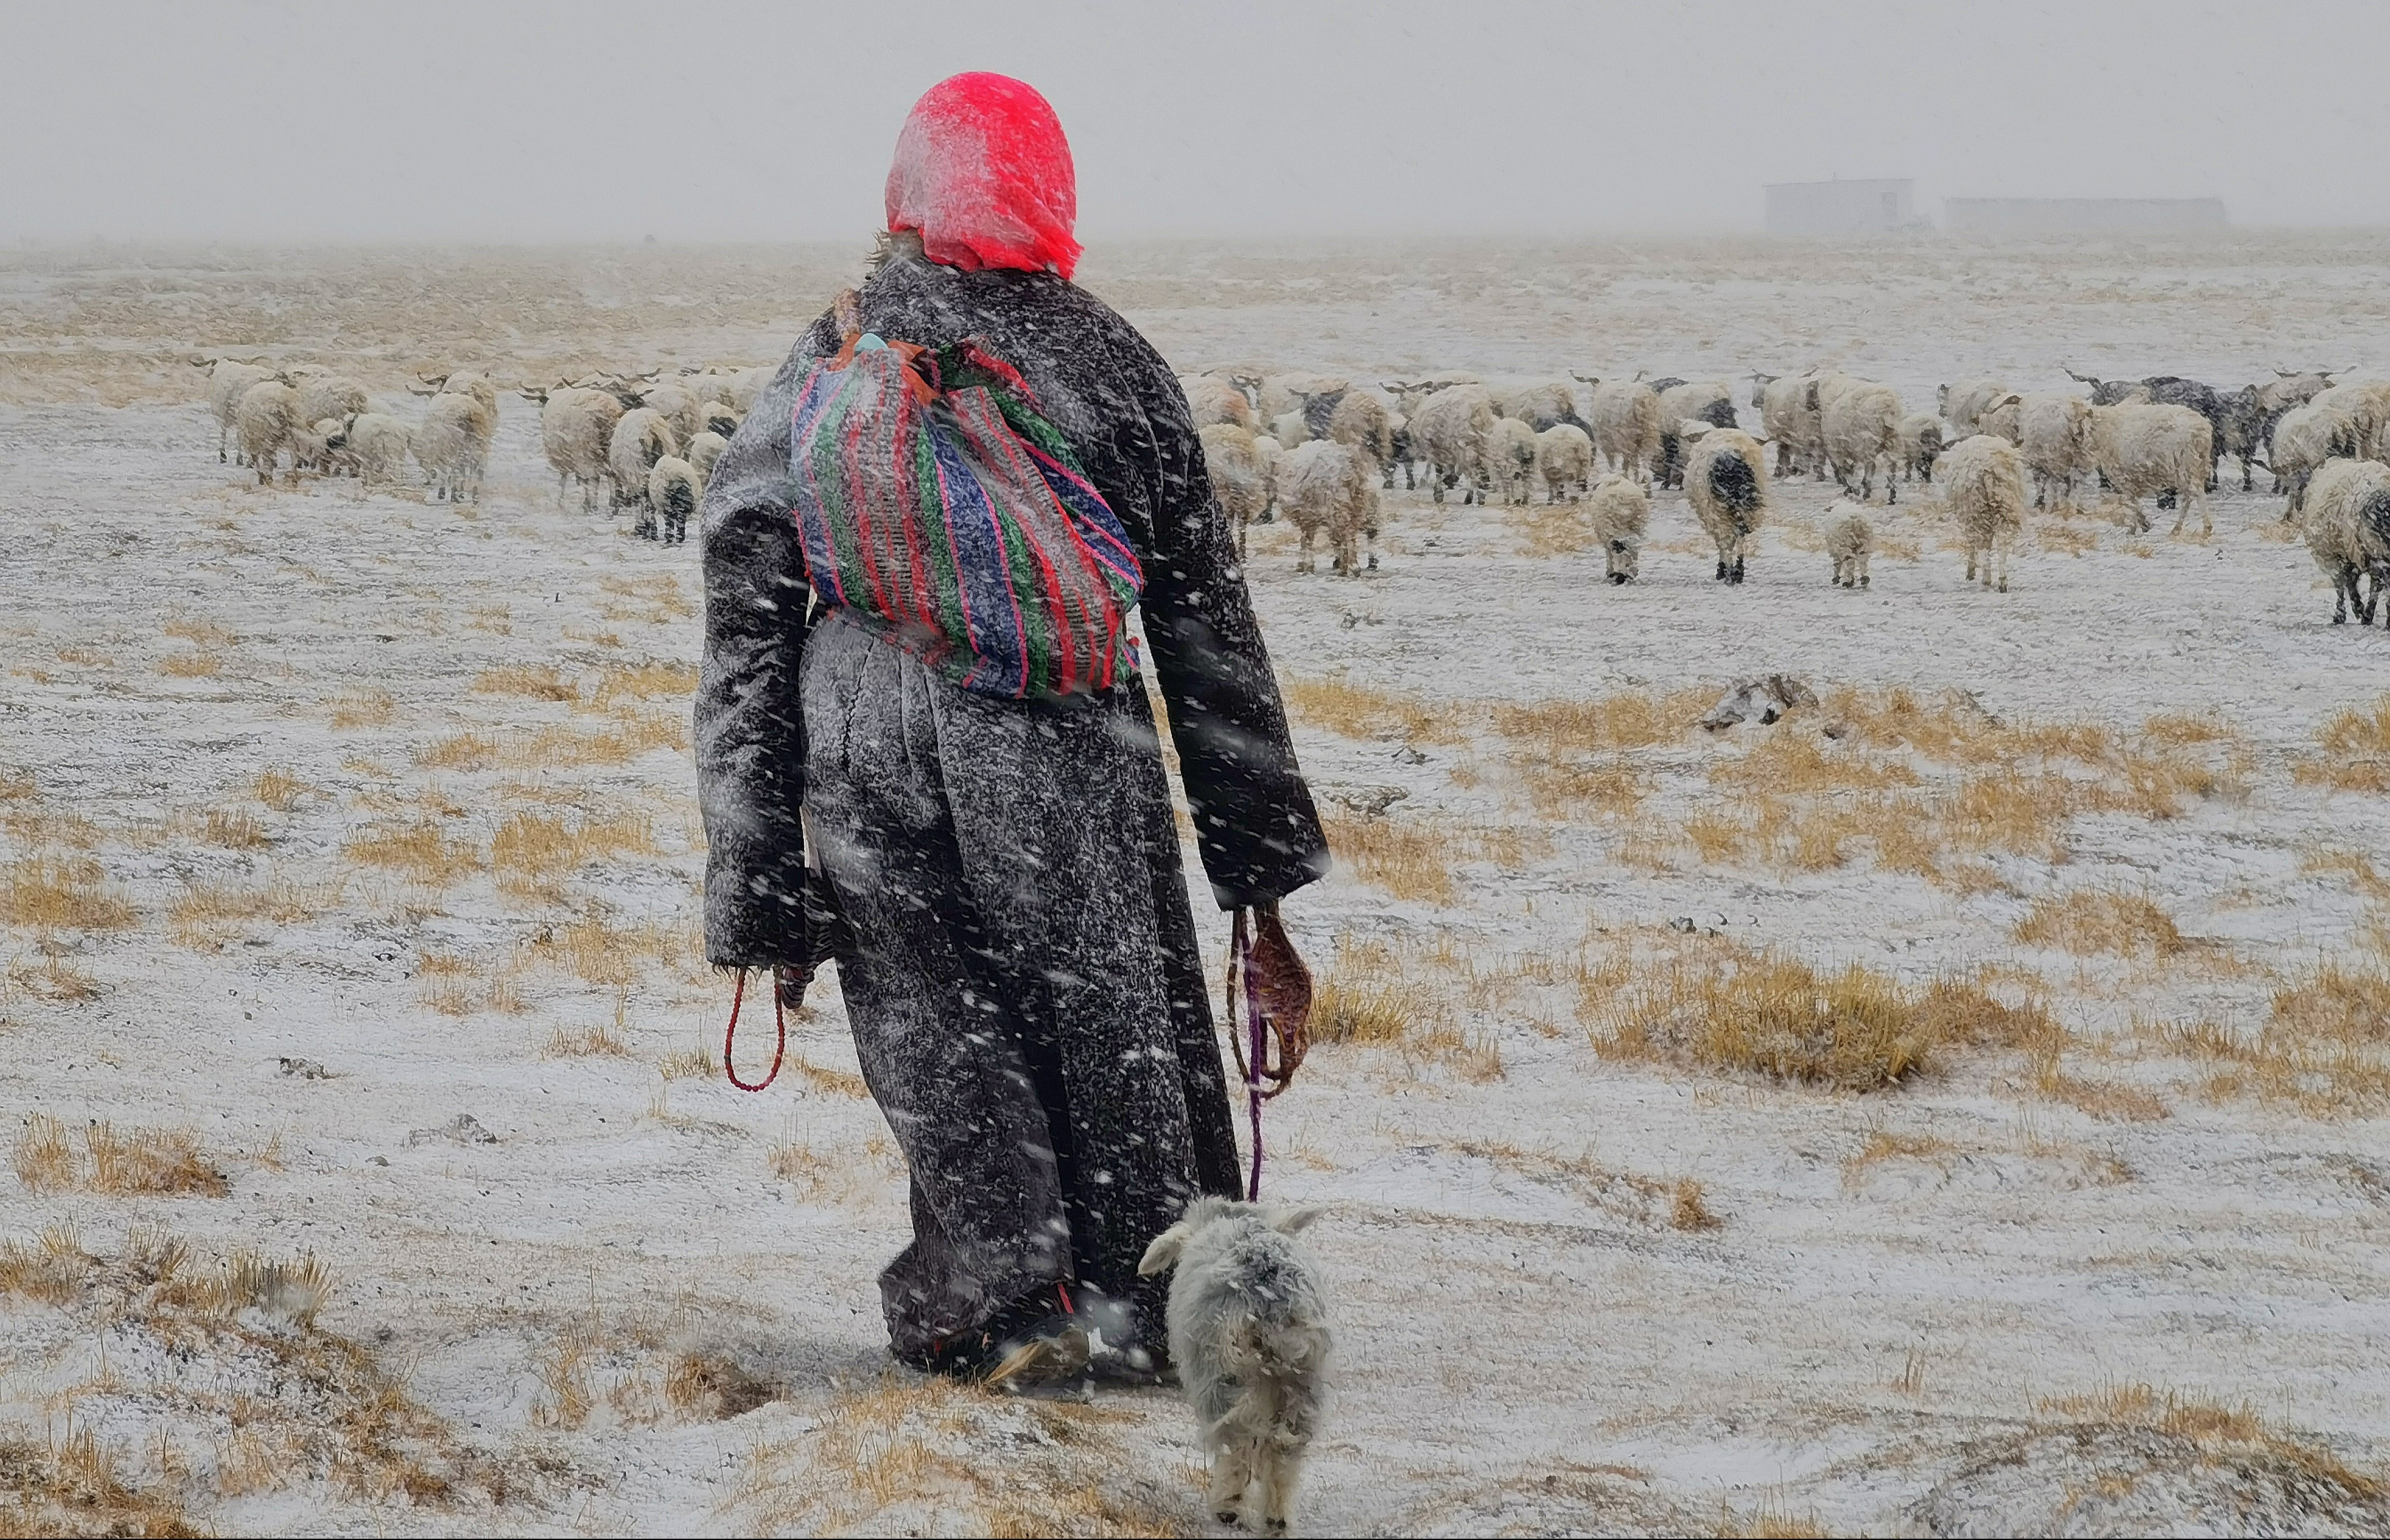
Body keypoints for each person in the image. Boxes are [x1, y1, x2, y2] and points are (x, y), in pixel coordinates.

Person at [693, 72, 1327, 1391]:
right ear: (1051, 191)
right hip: (1057, 740)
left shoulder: (834, 346)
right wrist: (1256, 884)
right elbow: (1205, 627)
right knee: (1110, 1014)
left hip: (858, 716)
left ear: (906, 195)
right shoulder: (1111, 362)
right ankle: (1147, 1292)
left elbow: (748, 592)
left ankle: (997, 1296)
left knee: (932, 1014)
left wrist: (755, 868)